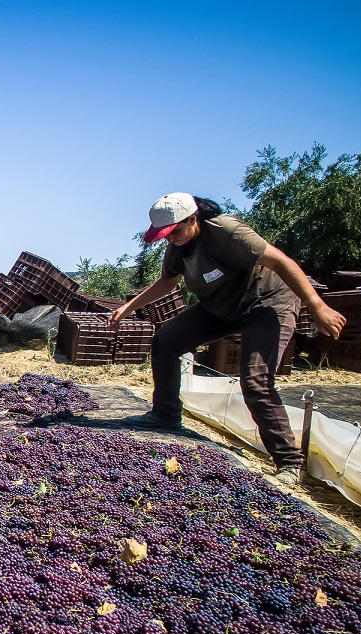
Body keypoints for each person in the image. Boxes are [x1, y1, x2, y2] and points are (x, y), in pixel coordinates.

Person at [110, 192, 346, 484]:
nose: (170, 239)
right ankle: (165, 414)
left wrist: (317, 305)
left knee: (256, 381)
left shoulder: (227, 231)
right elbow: (168, 281)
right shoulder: (180, 246)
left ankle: (288, 460)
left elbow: (281, 262)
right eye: (165, 236)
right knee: (166, 340)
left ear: (192, 219)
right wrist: (129, 306)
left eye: (175, 232)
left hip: (265, 302)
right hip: (221, 306)